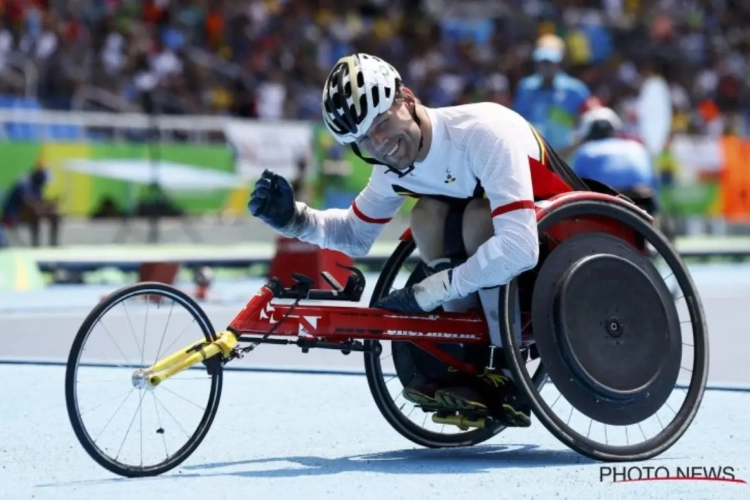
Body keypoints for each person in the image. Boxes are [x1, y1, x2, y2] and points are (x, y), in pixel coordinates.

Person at [248, 53, 590, 427]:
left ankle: (504, 368)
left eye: (380, 122)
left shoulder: (482, 132)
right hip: (507, 264)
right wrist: (293, 219)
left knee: (477, 218)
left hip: (570, 245)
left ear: (406, 99)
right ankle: (473, 364)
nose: (379, 144)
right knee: (425, 216)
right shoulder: (390, 169)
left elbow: (518, 248)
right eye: (362, 140)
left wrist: (431, 292)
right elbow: (354, 235)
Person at [513, 35, 593, 159]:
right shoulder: (526, 87)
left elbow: (587, 122)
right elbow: (519, 121)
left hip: (567, 157)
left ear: (558, 63)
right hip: (535, 155)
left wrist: (572, 147)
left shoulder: (575, 89)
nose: (545, 67)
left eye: (549, 62)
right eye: (542, 62)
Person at [570, 106, 660, 216]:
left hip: (604, 203)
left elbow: (574, 186)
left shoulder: (585, 151)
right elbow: (653, 181)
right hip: (642, 199)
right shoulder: (637, 147)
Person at [0, 164, 60, 247]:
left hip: (28, 212)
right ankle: (35, 244)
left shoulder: (38, 186)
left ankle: (53, 244)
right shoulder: (24, 183)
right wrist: (41, 207)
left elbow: (38, 201)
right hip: (14, 214)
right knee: (35, 215)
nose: (44, 185)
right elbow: (27, 202)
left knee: (55, 216)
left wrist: (50, 203)